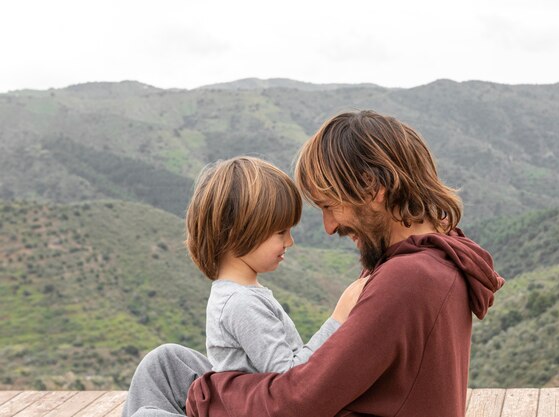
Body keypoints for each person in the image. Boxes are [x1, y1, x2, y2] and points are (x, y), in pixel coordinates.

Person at [123, 110, 505, 417]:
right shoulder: (437, 256)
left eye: (328, 205)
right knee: (165, 363)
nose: (329, 226)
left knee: (162, 394)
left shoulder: (407, 279)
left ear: (373, 189)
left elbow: (299, 400)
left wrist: (207, 393)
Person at [185, 157, 363, 374]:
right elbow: (288, 377)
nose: (289, 242)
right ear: (237, 231)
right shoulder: (241, 304)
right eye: (281, 233)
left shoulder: (243, 296)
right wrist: (337, 320)